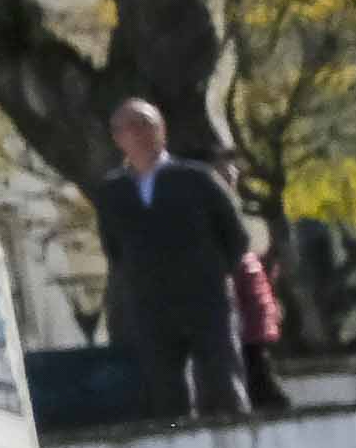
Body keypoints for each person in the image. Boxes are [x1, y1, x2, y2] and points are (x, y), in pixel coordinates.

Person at [81, 103, 265, 426]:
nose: (137, 134)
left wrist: (209, 273)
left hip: (206, 301)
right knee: (166, 394)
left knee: (222, 384)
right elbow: (114, 249)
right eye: (127, 127)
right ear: (117, 137)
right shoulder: (113, 192)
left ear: (161, 130)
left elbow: (236, 237)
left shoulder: (197, 179)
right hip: (151, 306)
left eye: (144, 124)